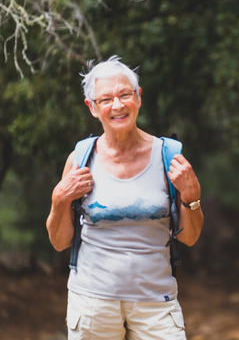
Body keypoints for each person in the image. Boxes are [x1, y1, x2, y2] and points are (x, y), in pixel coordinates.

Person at [46, 56, 203, 339]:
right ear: (92, 107)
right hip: (93, 303)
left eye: (124, 95)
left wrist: (192, 196)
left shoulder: (169, 157)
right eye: (105, 99)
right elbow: (59, 242)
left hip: (157, 304)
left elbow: (189, 238)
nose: (117, 106)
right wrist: (59, 199)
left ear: (138, 97)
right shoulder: (81, 159)